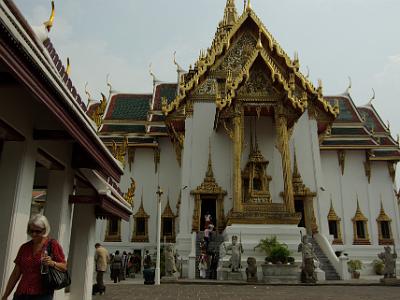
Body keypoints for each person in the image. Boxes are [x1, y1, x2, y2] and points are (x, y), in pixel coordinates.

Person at [1, 214, 67, 300]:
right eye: (31, 231)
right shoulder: (24, 247)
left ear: (45, 230)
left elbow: (64, 267)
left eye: (37, 231)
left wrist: (52, 263)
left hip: (42, 295)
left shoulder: (52, 244)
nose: (34, 234)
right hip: (21, 294)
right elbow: (15, 274)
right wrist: (5, 295)